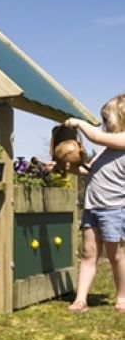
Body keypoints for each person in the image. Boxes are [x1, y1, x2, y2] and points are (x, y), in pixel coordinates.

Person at [64, 93, 125, 313]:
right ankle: (81, 299)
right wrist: (66, 167)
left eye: (107, 118)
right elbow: (88, 171)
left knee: (116, 255)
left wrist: (78, 122)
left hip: (113, 209)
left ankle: (122, 297)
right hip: (92, 208)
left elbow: (95, 137)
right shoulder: (105, 151)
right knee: (89, 253)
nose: (105, 124)